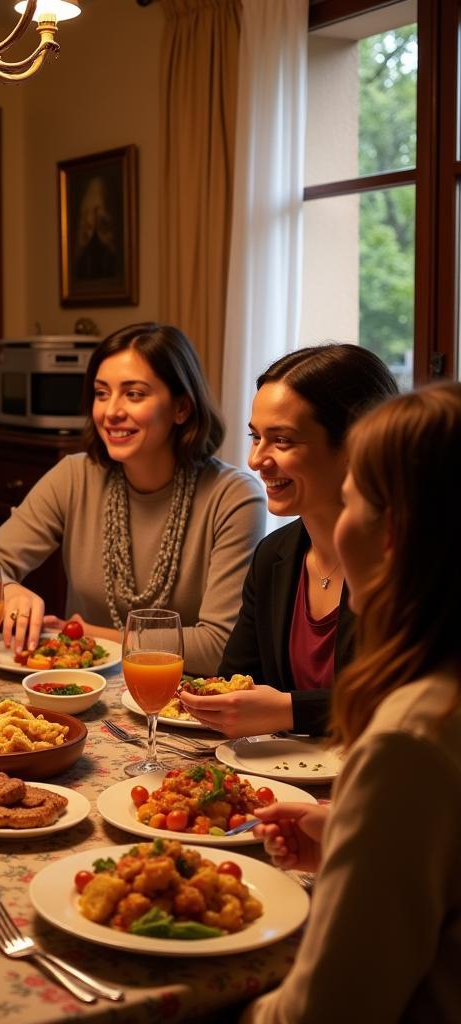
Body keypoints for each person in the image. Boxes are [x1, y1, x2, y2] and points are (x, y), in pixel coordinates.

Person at [243, 383, 461, 1023]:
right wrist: (349, 832)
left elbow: (327, 1012)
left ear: (392, 531)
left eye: (351, 499)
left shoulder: (409, 738)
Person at [0, 322, 266, 676]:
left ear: (181, 408)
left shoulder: (234, 497)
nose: (111, 411)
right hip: (78, 691)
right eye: (102, 393)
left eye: (134, 394)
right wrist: (9, 590)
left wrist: (92, 635)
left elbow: (217, 648)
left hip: (181, 706)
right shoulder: (74, 476)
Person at [181, 345, 397, 737]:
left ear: (353, 447)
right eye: (255, 436)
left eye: (281, 440)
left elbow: (405, 701)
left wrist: (290, 711)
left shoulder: (412, 557)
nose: (255, 459)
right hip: (281, 775)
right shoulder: (274, 554)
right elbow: (235, 679)